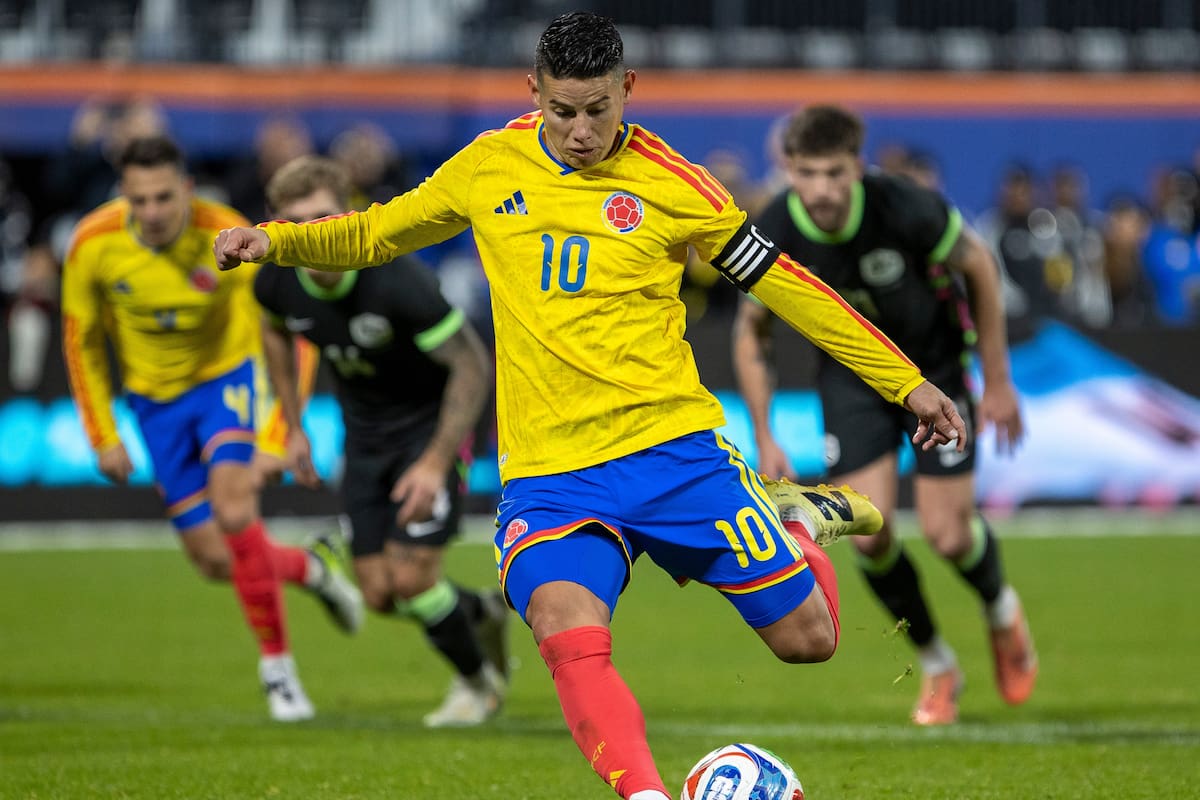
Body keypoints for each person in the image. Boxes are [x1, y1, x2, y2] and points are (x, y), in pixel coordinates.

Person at [215, 13, 966, 799]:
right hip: (552, 471)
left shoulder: (676, 185)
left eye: (597, 110)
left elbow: (789, 287)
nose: (579, 131)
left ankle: (801, 519)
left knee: (810, 642)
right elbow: (374, 234)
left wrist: (904, 380)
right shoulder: (487, 166)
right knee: (564, 628)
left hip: (674, 452)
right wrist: (276, 242)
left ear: (628, 90)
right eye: (562, 111)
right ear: (532, 91)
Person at [732, 104, 1036, 726]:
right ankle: (938, 665)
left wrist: (998, 380)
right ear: (787, 168)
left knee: (949, 535)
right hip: (851, 380)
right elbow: (750, 330)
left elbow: (978, 264)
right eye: (808, 173)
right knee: (869, 535)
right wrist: (764, 434)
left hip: (934, 371)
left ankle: (1002, 611)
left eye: (835, 173)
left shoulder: (905, 206)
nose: (820, 189)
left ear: (858, 168)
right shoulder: (771, 227)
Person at [60, 134, 364, 723]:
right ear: (123, 196)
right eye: (138, 201)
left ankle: (278, 672)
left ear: (187, 191)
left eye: (162, 198)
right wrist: (103, 436)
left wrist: (280, 432)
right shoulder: (92, 244)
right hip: (152, 403)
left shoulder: (226, 233)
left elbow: (292, 327)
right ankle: (311, 569)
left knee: (233, 512)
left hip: (224, 384)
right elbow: (82, 344)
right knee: (215, 559)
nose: (151, 213)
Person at [253, 154, 509, 727]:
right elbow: (273, 330)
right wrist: (291, 428)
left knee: (413, 578)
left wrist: (435, 461)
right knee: (377, 593)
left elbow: (471, 365)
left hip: (432, 432)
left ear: (350, 217)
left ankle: (478, 686)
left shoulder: (397, 279)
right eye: (293, 224)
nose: (310, 235)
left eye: (322, 219)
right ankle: (480, 612)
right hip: (364, 440)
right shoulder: (275, 277)